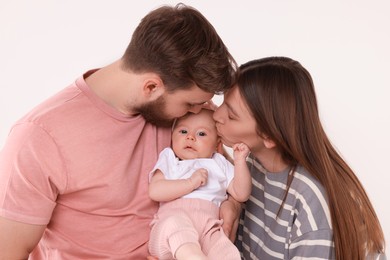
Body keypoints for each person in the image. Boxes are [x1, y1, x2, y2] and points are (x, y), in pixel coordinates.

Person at [0, 4, 238, 259]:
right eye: (189, 104)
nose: (197, 110)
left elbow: (222, 170)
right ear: (151, 87)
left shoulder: (190, 116)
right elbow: (9, 251)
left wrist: (231, 204)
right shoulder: (38, 138)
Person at [213, 56, 386, 260]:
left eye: (232, 116)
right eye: (223, 102)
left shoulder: (310, 200)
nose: (217, 115)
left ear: (269, 136)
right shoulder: (253, 164)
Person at [148, 109, 251, 260]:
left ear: (217, 144)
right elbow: (155, 191)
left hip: (208, 230)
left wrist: (240, 161)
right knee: (175, 224)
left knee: (227, 251)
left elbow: (241, 193)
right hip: (169, 232)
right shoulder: (170, 158)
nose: (190, 137)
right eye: (183, 131)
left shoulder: (219, 163)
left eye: (201, 134)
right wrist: (189, 183)